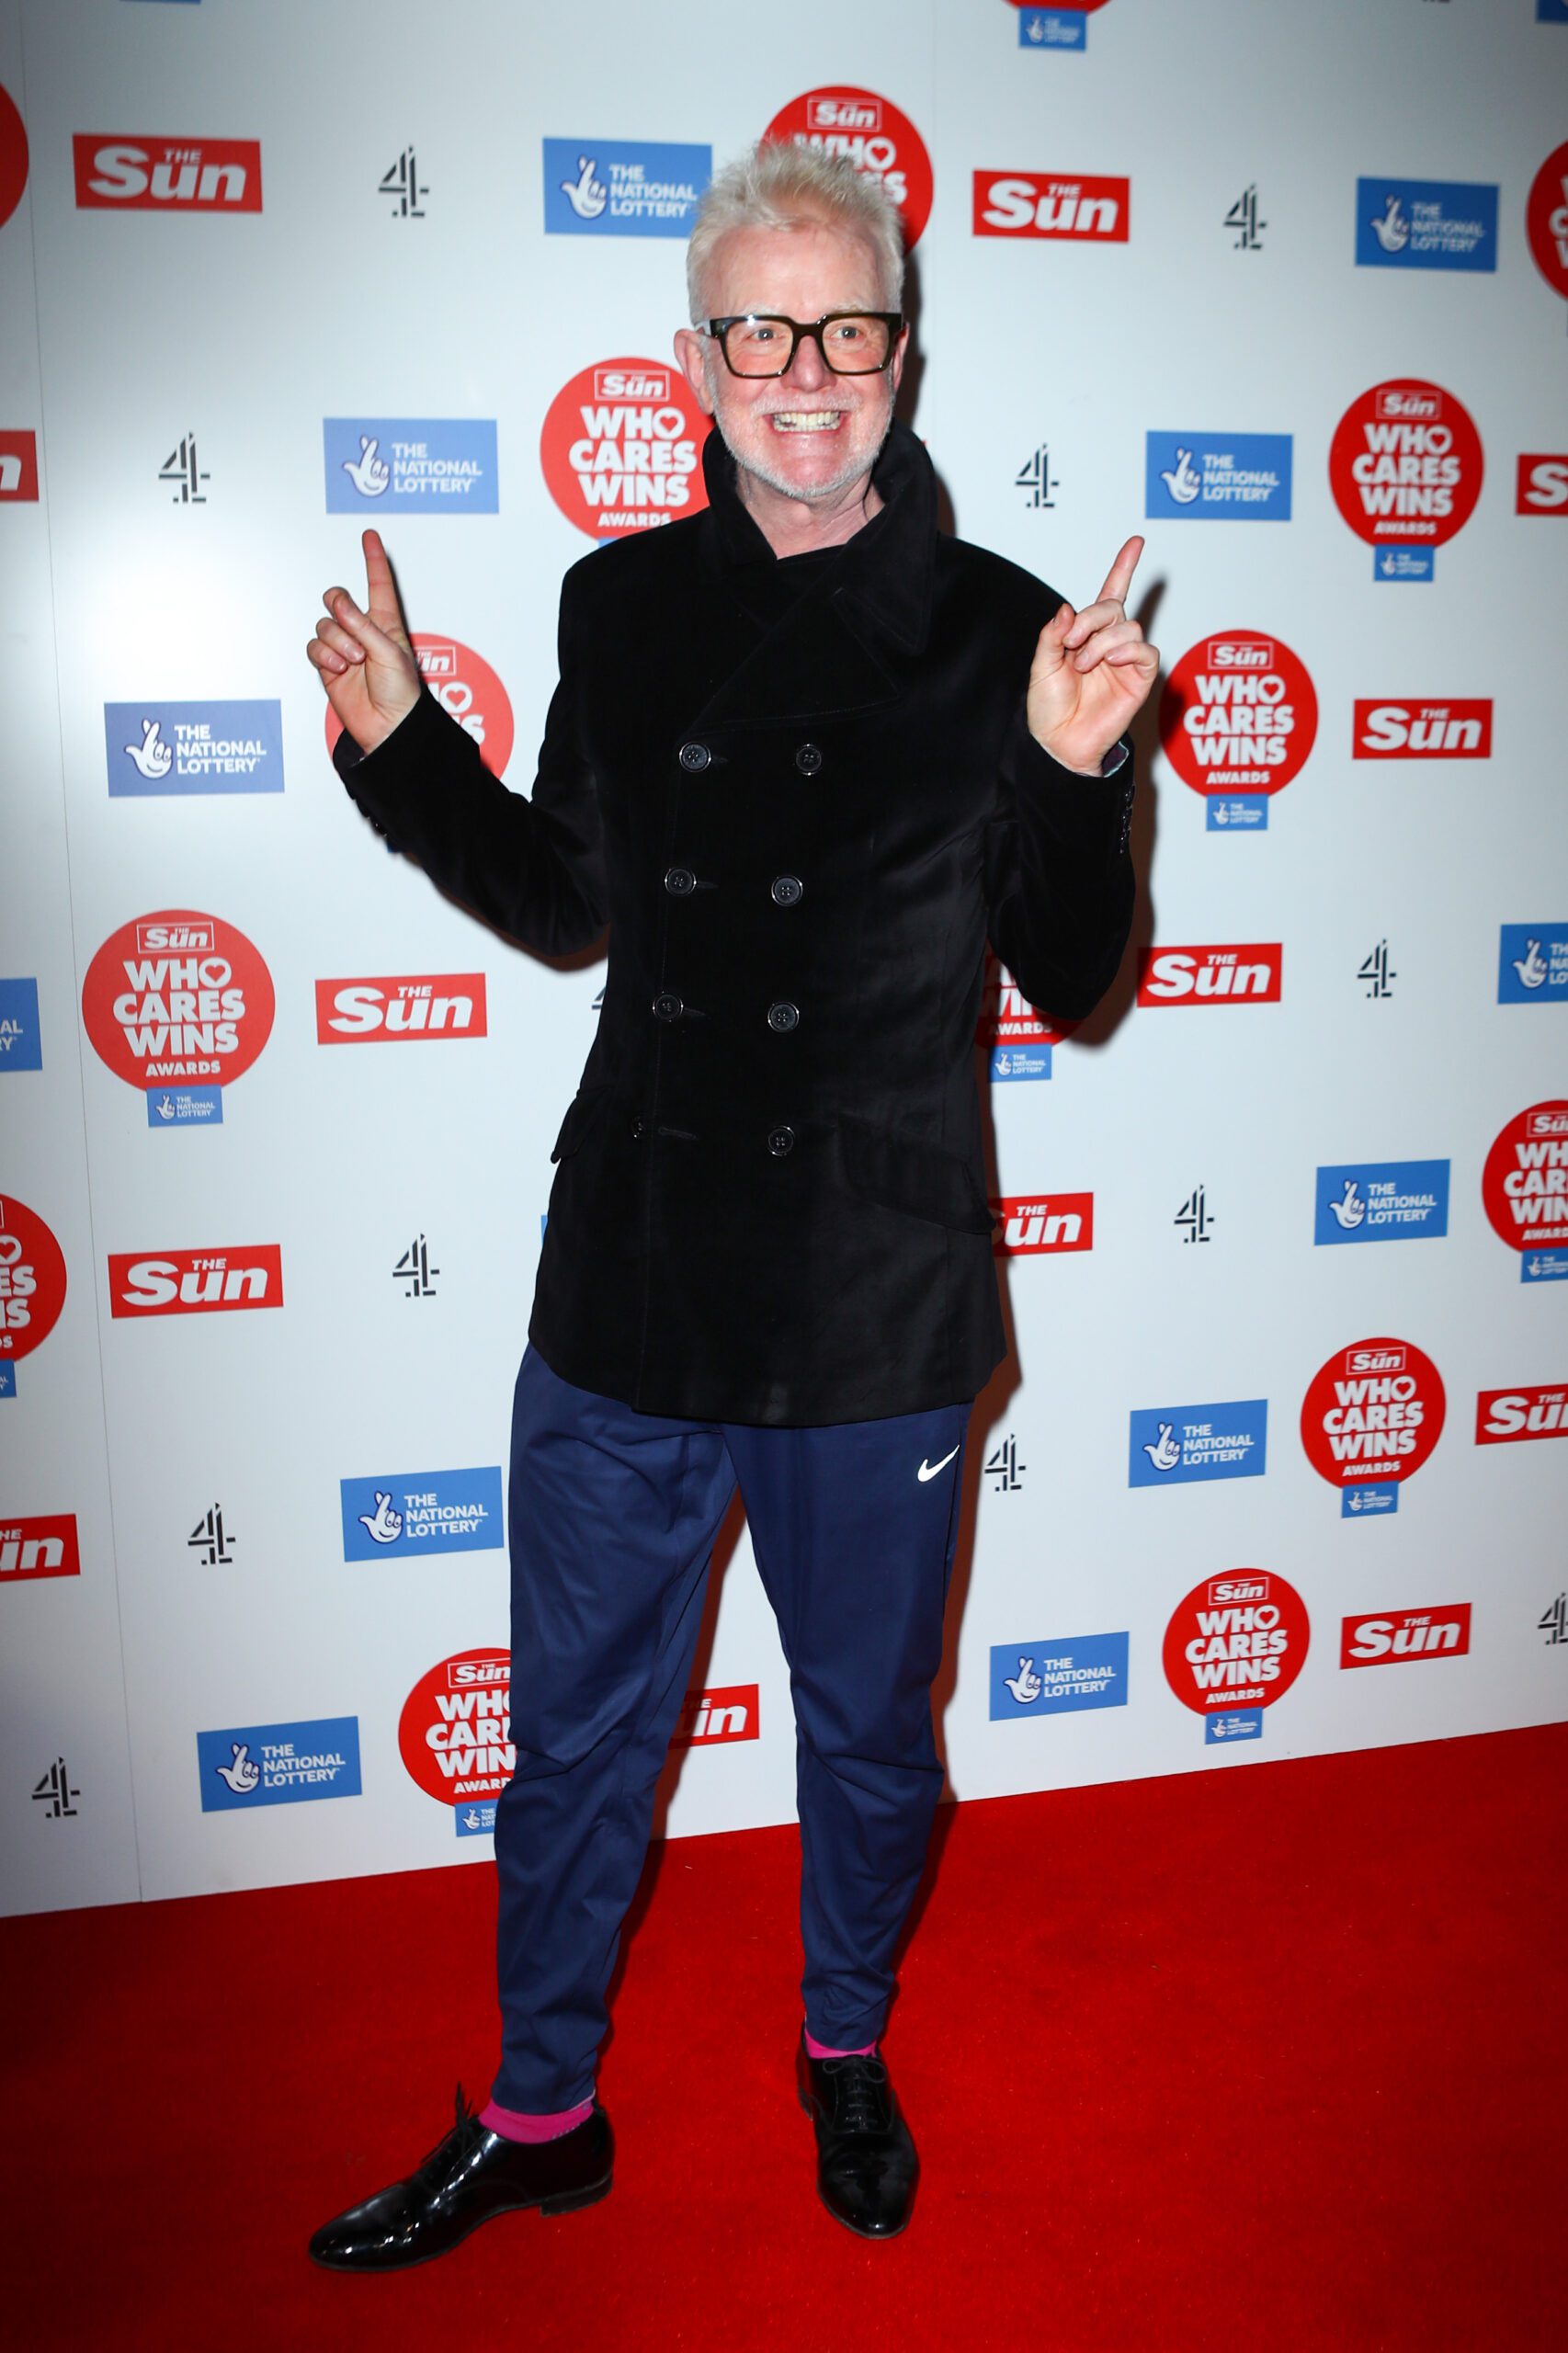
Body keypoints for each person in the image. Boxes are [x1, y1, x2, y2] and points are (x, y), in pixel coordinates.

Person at [304, 141, 1155, 2264]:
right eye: (758, 329)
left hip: (873, 1298)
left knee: (868, 1734)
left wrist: (1066, 771)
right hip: (638, 1281)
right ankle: (539, 2106)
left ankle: (844, 2046)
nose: (803, 372)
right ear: (697, 358)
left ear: (899, 352)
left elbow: (1075, 977)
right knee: (576, 1731)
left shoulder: (1003, 632)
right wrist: (412, 751)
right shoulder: (624, 600)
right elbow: (574, 902)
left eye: (842, 329)